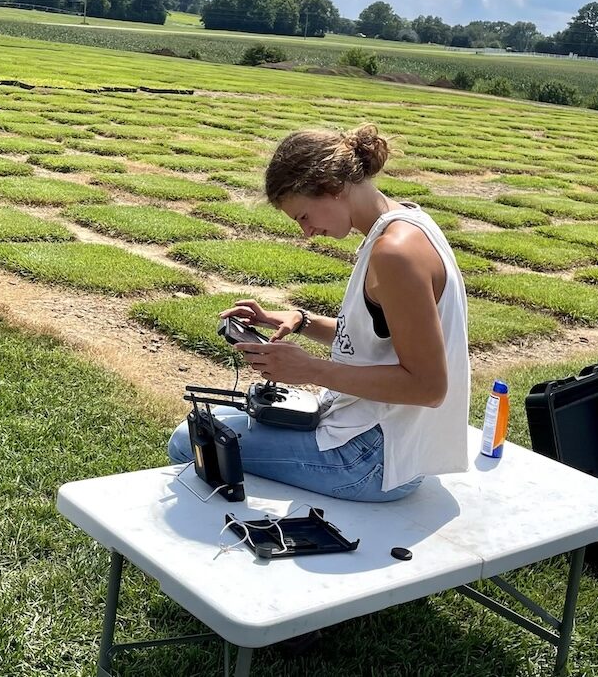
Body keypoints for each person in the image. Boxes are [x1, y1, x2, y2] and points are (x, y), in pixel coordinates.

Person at [167, 124, 470, 502]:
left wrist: (310, 369)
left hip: (372, 461)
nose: (307, 232)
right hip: (381, 439)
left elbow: (428, 387)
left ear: (333, 188)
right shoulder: (404, 225)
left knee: (188, 440)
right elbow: (377, 340)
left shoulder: (395, 254)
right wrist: (301, 321)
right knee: (210, 425)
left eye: (304, 216)